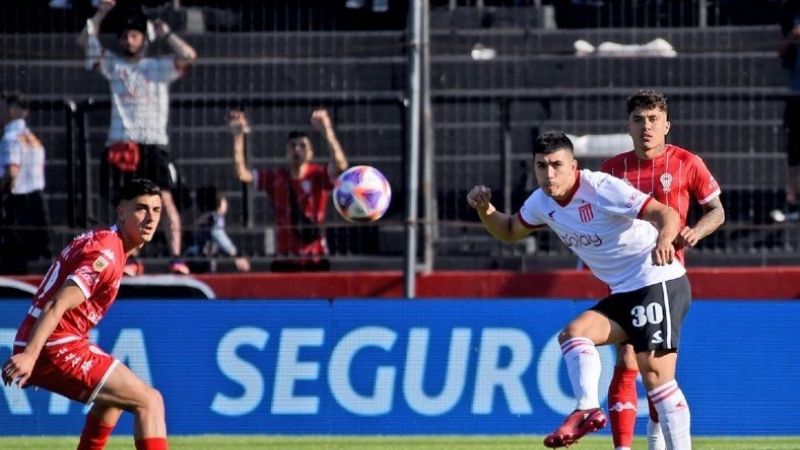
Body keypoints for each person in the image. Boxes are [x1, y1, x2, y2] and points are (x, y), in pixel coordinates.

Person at [467, 131, 692, 449]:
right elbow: (507, 231)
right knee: (574, 334)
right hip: (624, 291)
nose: (549, 174)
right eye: (541, 166)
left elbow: (665, 213)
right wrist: (485, 209)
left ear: (573, 166)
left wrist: (665, 240)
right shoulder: (541, 202)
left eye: (557, 165)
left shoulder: (600, 188)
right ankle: (587, 408)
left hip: (657, 280)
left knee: (657, 378)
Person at [2, 179, 169, 450]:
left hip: (53, 341)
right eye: (141, 208)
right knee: (150, 401)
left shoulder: (103, 241)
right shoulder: (107, 255)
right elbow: (58, 303)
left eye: (156, 210)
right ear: (121, 212)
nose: (150, 218)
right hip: (54, 345)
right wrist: (32, 355)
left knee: (112, 401)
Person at [601, 90, 724, 450]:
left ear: (666, 125)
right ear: (628, 126)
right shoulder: (612, 171)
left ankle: (656, 435)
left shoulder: (687, 162)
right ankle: (623, 447)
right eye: (639, 119)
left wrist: (696, 230)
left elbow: (716, 209)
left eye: (653, 119)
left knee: (655, 367)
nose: (646, 127)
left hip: (666, 278)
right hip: (623, 278)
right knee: (626, 359)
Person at [77, 0, 198, 275]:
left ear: (144, 38)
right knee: (129, 205)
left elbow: (189, 55)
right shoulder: (114, 66)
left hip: (155, 143)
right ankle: (128, 260)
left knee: (165, 201)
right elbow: (85, 40)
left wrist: (166, 33)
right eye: (124, 36)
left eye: (134, 35)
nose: (128, 40)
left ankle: (176, 258)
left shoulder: (158, 66)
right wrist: (102, 12)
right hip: (123, 143)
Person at [228, 108, 349, 272]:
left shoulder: (318, 175)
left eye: (302, 146)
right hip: (285, 258)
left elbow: (341, 165)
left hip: (315, 257)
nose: (297, 150)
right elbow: (242, 174)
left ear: (311, 153)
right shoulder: (276, 178)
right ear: (286, 151)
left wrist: (327, 130)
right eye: (293, 146)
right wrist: (238, 136)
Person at [0, 90, 51, 274]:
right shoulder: (33, 139)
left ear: (12, 110)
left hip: (18, 205)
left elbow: (11, 172)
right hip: (37, 203)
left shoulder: (10, 139)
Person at [771, 0, 800, 223]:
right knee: (793, 148)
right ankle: (793, 202)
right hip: (795, 92)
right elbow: (780, 51)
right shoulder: (789, 14)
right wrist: (792, 36)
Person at [183, 185, 250, 273]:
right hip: (202, 257)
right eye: (225, 200)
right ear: (220, 202)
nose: (227, 204)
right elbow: (218, 234)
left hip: (192, 255)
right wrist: (235, 254)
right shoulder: (216, 218)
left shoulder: (203, 217)